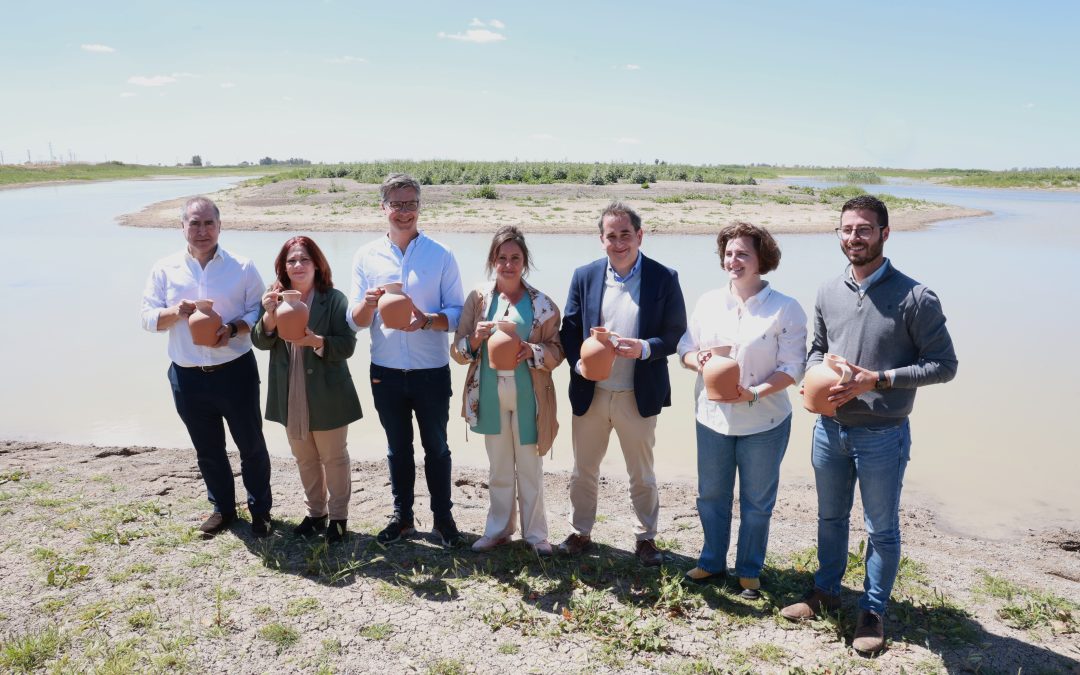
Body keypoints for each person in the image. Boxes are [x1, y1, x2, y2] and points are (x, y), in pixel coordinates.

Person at [779, 195, 958, 653]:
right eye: (846, 229)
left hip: (883, 433)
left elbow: (943, 365)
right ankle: (825, 592)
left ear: (884, 233)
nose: (853, 238)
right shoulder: (826, 290)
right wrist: (818, 378)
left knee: (881, 528)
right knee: (830, 517)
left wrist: (876, 379)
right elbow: (817, 349)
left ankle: (873, 610)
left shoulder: (916, 297)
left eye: (863, 229)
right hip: (829, 430)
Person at [676, 222, 807, 598]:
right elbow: (685, 348)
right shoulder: (708, 302)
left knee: (757, 501)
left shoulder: (785, 308)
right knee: (711, 494)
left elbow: (792, 368)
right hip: (712, 418)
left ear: (761, 259)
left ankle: (749, 569)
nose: (734, 260)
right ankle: (711, 561)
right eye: (729, 253)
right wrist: (697, 361)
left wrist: (754, 393)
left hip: (765, 419)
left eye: (743, 254)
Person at [558, 201, 687, 566]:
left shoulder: (665, 277)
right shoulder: (585, 275)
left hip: (638, 394)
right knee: (584, 468)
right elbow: (568, 329)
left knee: (642, 473)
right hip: (591, 391)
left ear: (640, 236)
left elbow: (676, 335)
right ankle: (580, 531)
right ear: (601, 240)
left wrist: (644, 348)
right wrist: (579, 364)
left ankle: (645, 538)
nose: (619, 243)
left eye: (625, 235)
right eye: (611, 236)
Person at [140, 196, 273, 537]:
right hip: (186, 375)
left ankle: (261, 512)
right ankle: (223, 510)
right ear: (181, 226)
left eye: (208, 223)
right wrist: (177, 312)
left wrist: (230, 329)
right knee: (208, 449)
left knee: (251, 445)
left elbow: (256, 312)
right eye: (194, 223)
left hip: (235, 370)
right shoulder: (164, 267)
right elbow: (148, 319)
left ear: (220, 225)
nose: (202, 231)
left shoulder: (241, 266)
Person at [348, 173, 465, 548]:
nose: (404, 212)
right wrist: (367, 306)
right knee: (397, 447)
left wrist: (427, 320)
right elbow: (354, 322)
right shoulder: (365, 255)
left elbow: (460, 314)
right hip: (385, 370)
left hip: (431, 370)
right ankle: (402, 518)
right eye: (396, 204)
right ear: (382, 208)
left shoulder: (441, 254)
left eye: (410, 203)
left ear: (420, 207)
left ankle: (443, 519)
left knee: (438, 447)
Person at [451, 226, 564, 556]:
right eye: (502, 258)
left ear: (524, 262)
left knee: (530, 466)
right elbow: (457, 352)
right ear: (492, 260)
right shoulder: (478, 299)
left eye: (515, 258)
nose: (509, 265)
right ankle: (499, 530)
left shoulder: (542, 304)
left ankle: (536, 535)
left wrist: (533, 351)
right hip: (488, 391)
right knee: (498, 466)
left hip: (529, 394)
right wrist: (475, 338)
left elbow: (557, 351)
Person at [252, 236, 362, 543]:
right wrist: (269, 315)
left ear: (317, 264)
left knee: (334, 458)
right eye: (291, 261)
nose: (297, 266)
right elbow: (260, 342)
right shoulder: (272, 298)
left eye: (304, 260)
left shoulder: (335, 299)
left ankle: (338, 517)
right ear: (283, 267)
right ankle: (316, 514)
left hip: (328, 392)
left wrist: (317, 342)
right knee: (305, 458)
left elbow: (347, 346)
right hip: (290, 392)